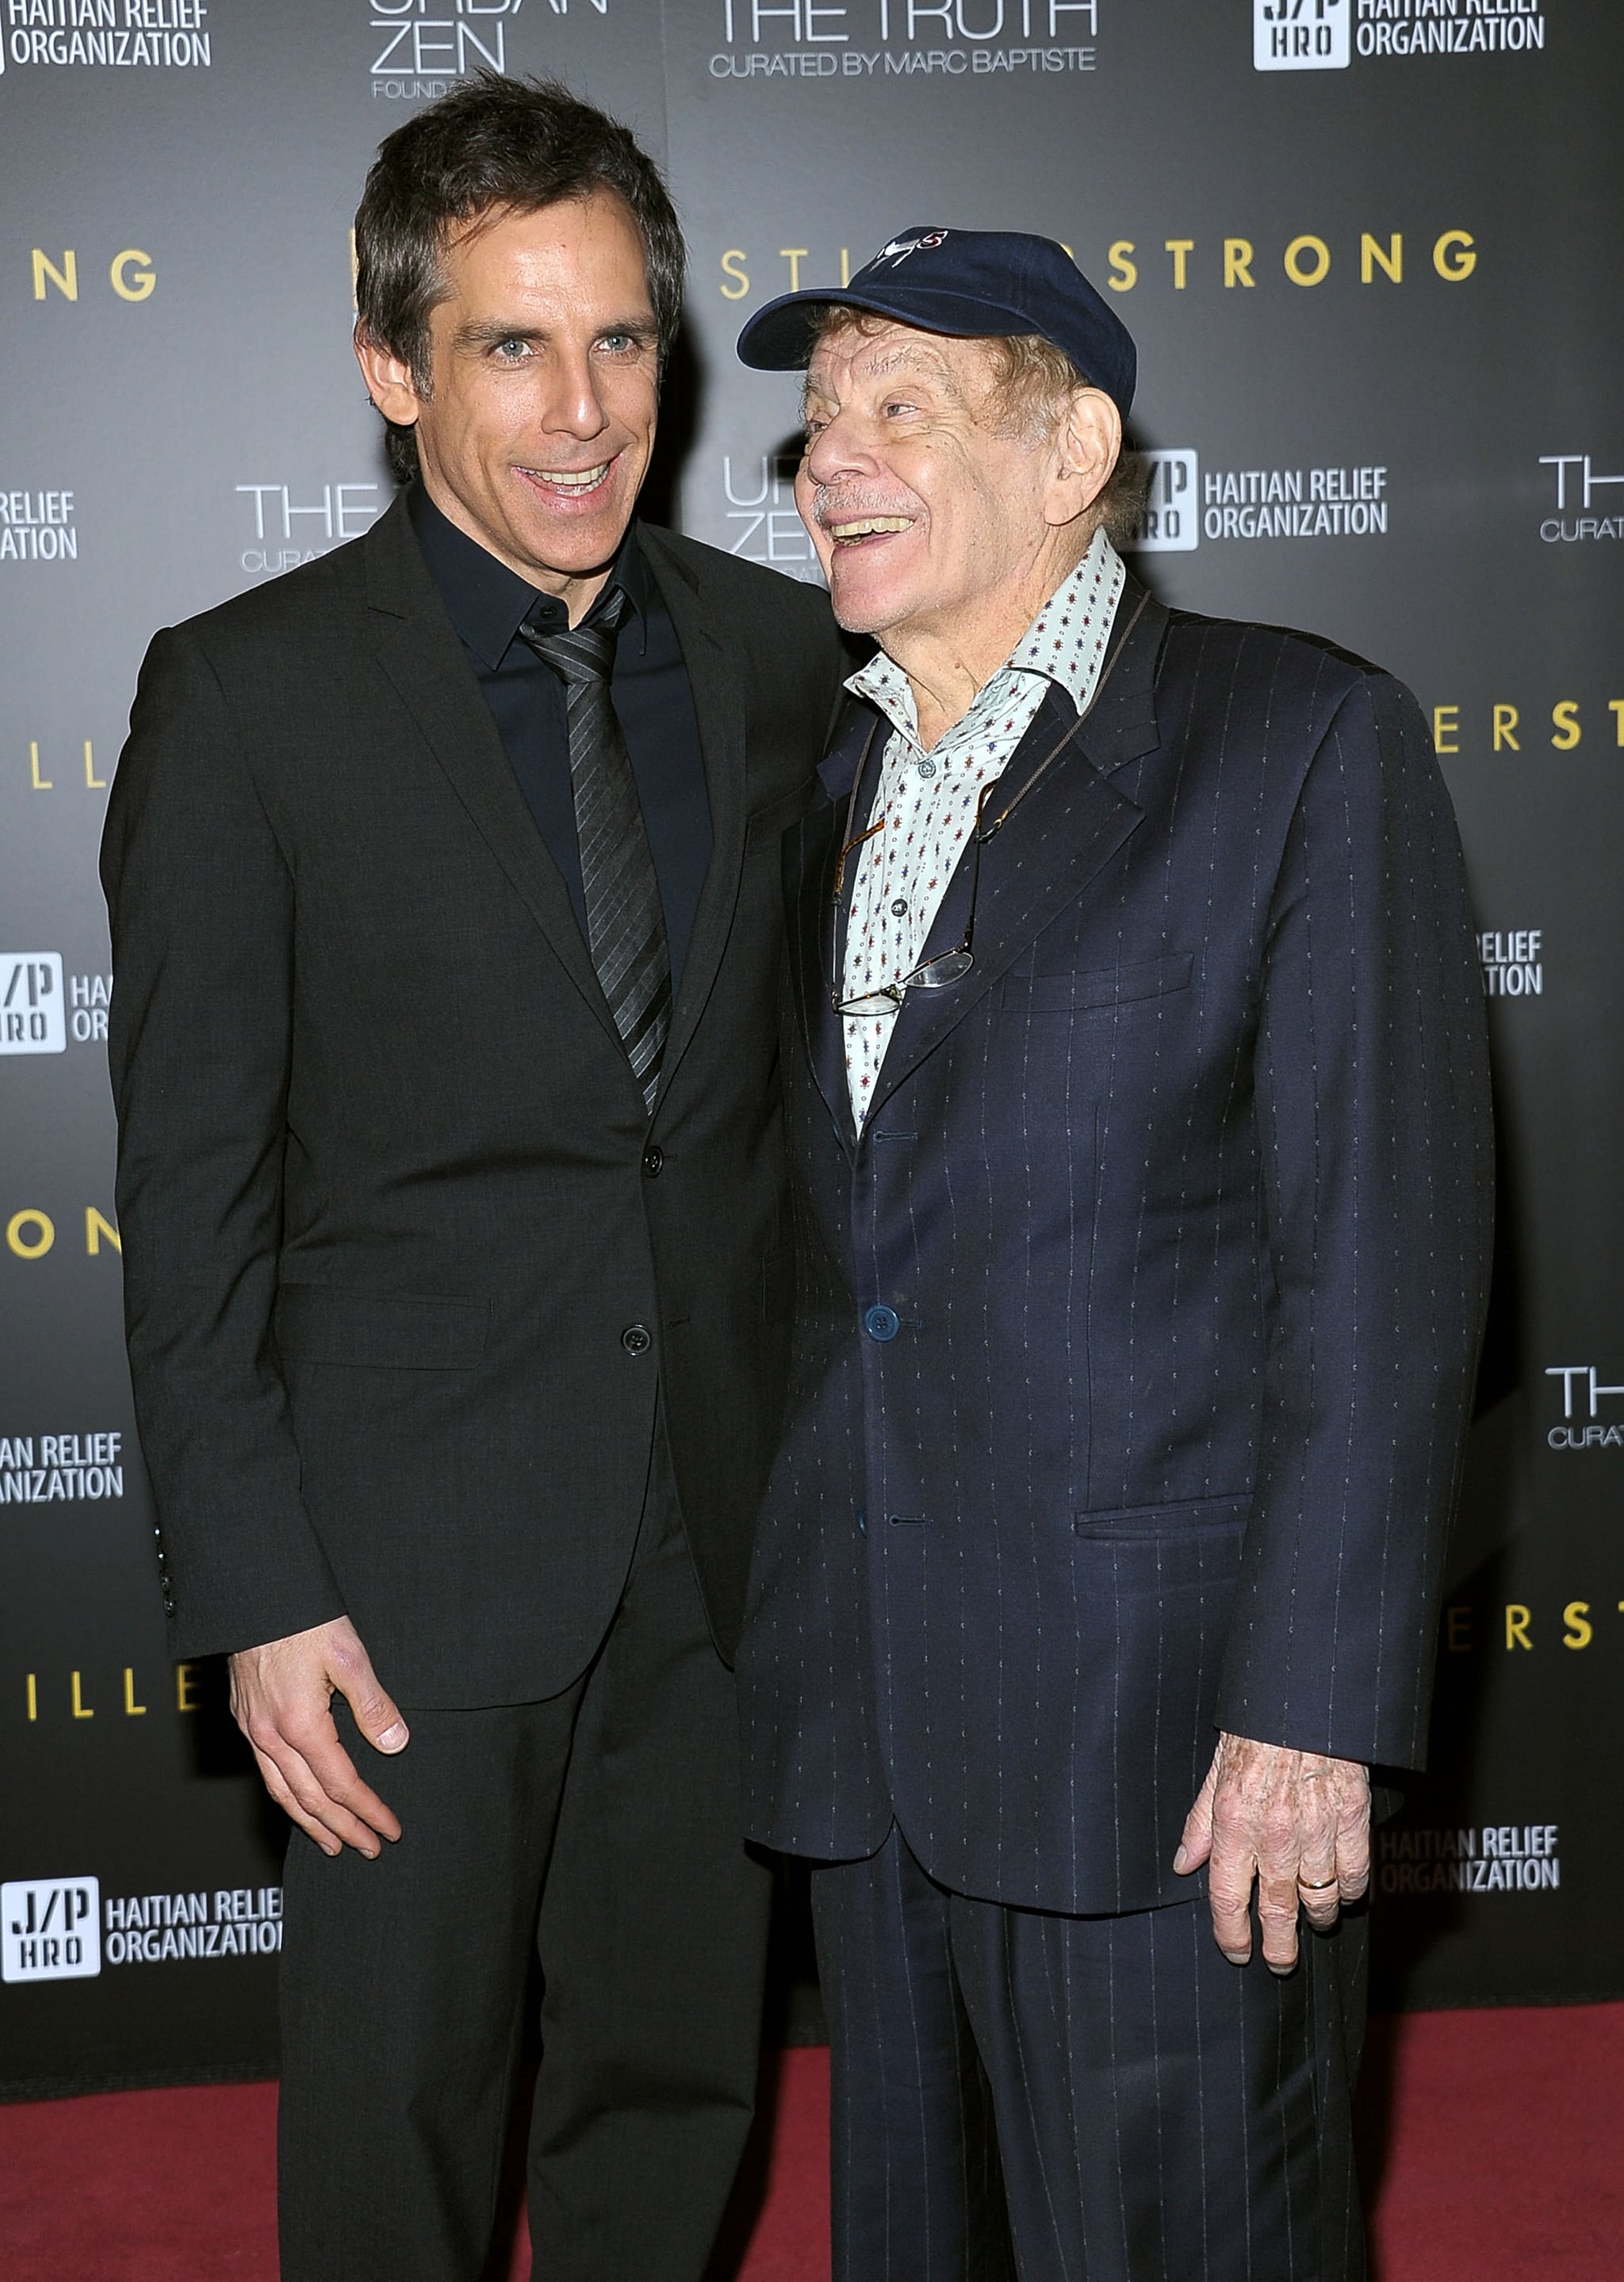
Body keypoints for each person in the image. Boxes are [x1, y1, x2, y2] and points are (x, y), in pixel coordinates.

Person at [101, 75, 845, 2282]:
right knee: (394, 2142)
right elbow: (193, 1189)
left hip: (720, 1546)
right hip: (404, 1582)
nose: (583, 411)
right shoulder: (244, 702)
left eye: (621, 340)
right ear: (389, 357)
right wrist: (253, 1587)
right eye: (514, 346)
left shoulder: (784, 659)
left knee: (678, 2095)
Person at [733, 227, 1493, 2280]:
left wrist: (1313, 1712)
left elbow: (1386, 1270)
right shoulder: (818, 784)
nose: (834, 462)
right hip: (879, 1735)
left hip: (1172, 1759)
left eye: (904, 410)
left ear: (1072, 455)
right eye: (818, 423)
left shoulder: (1293, 747)